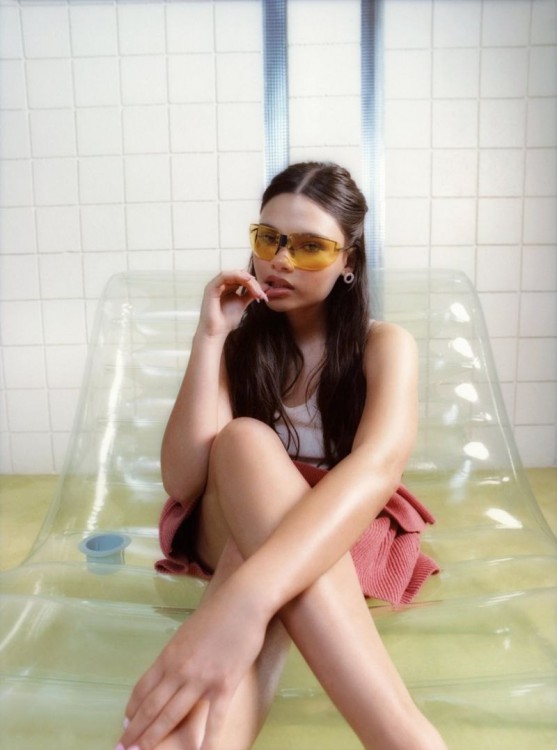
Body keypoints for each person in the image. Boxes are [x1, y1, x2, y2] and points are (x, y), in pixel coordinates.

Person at [116, 162, 446, 750]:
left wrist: (241, 604)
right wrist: (210, 338)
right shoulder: (240, 344)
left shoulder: (383, 345)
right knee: (244, 442)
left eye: (310, 247)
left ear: (348, 261)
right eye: (269, 239)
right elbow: (184, 481)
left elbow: (376, 469)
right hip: (232, 521)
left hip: (336, 530)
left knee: (258, 552)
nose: (281, 260)